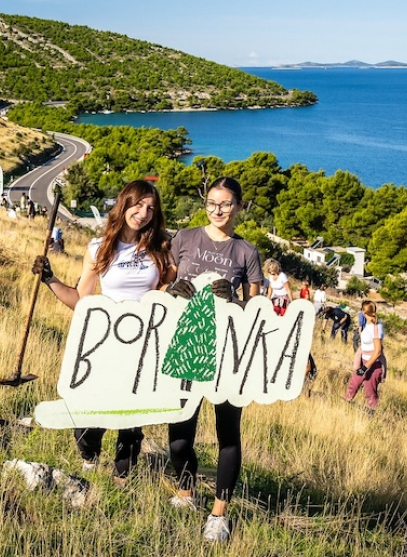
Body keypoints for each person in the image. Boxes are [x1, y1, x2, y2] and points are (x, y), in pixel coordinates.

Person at [32, 180, 173, 486]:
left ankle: (123, 478)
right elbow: (82, 300)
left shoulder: (160, 248)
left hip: (143, 344)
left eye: (150, 208)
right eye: (138, 204)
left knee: (131, 418)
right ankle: (89, 458)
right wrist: (50, 279)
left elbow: (168, 291)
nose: (143, 213)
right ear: (124, 204)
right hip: (103, 342)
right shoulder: (99, 248)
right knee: (87, 417)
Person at [162, 176, 264, 543]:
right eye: (211, 203)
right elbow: (161, 286)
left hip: (227, 355)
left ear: (238, 206)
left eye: (225, 204)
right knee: (179, 435)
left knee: (227, 434)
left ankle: (219, 513)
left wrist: (236, 302)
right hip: (186, 348)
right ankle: (187, 492)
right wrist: (173, 289)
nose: (217, 210)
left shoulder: (247, 253)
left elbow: (257, 309)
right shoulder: (185, 238)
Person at [345, 301, 385, 410]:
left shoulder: (376, 327)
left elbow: (378, 352)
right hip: (364, 361)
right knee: (353, 385)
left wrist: (365, 367)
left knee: (370, 392)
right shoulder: (368, 324)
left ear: (363, 311)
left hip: (373, 364)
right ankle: (344, 406)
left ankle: (373, 414)